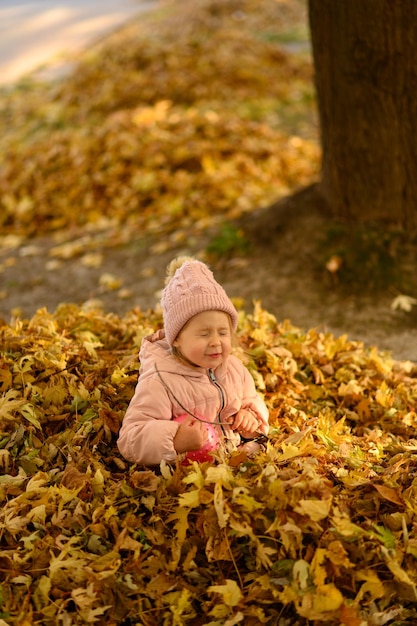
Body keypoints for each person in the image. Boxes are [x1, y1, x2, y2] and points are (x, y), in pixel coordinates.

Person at [117, 256, 269, 466]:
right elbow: (131, 438)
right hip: (192, 472)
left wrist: (249, 416)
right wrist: (175, 439)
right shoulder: (161, 381)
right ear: (177, 338)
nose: (216, 342)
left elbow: (252, 400)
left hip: (233, 457)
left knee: (259, 453)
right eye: (204, 334)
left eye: (223, 332)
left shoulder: (234, 368)